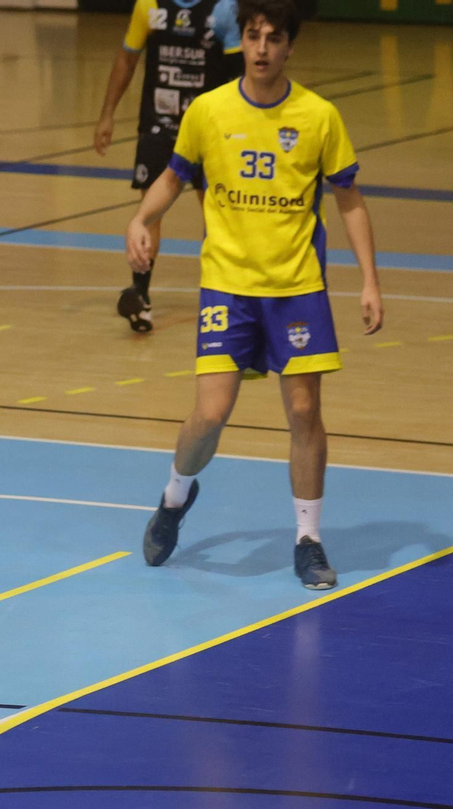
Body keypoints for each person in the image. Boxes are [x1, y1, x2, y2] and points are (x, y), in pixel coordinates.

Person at [126, 0, 384, 590]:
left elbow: (349, 199)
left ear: (290, 45)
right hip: (228, 285)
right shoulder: (209, 110)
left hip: (297, 288)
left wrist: (369, 279)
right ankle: (174, 497)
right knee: (211, 414)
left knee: (304, 412)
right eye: (252, 36)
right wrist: (142, 219)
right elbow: (174, 176)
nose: (262, 47)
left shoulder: (319, 116)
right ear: (240, 41)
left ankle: (308, 540)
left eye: (272, 37)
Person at [95, 0, 241, 332]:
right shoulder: (149, 5)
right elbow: (127, 58)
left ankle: (224, 295)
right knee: (150, 211)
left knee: (217, 215)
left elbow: (240, 75)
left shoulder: (223, 8)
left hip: (210, 130)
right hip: (159, 126)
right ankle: (140, 295)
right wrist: (107, 114)